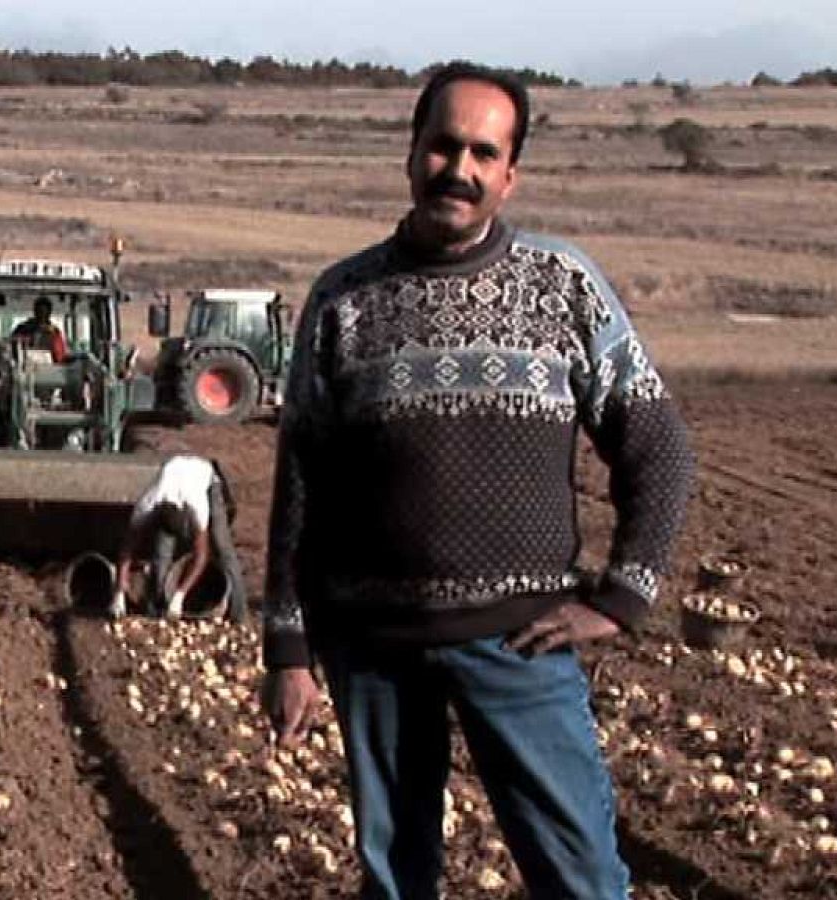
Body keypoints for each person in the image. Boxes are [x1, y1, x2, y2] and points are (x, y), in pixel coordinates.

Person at [261, 63, 694, 900]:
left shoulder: (562, 285)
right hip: (374, 645)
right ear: (412, 152)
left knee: (582, 879)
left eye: (482, 154)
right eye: (443, 146)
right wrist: (289, 647)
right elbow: (302, 479)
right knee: (397, 879)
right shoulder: (345, 299)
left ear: (509, 174)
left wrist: (620, 597)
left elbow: (659, 445)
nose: (458, 169)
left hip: (520, 643)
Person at [113, 454, 246, 624]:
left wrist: (180, 595)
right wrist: (120, 589)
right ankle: (157, 608)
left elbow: (201, 556)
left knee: (222, 546)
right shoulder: (147, 504)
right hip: (172, 474)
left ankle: (238, 612)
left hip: (208, 481)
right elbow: (127, 548)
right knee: (161, 553)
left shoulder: (197, 506)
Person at [10, 297, 69, 363]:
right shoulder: (23, 328)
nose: (41, 315)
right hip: (26, 364)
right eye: (39, 311)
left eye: (44, 312)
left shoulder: (54, 331)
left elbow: (60, 354)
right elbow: (13, 344)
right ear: (34, 311)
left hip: (49, 366)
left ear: (49, 313)